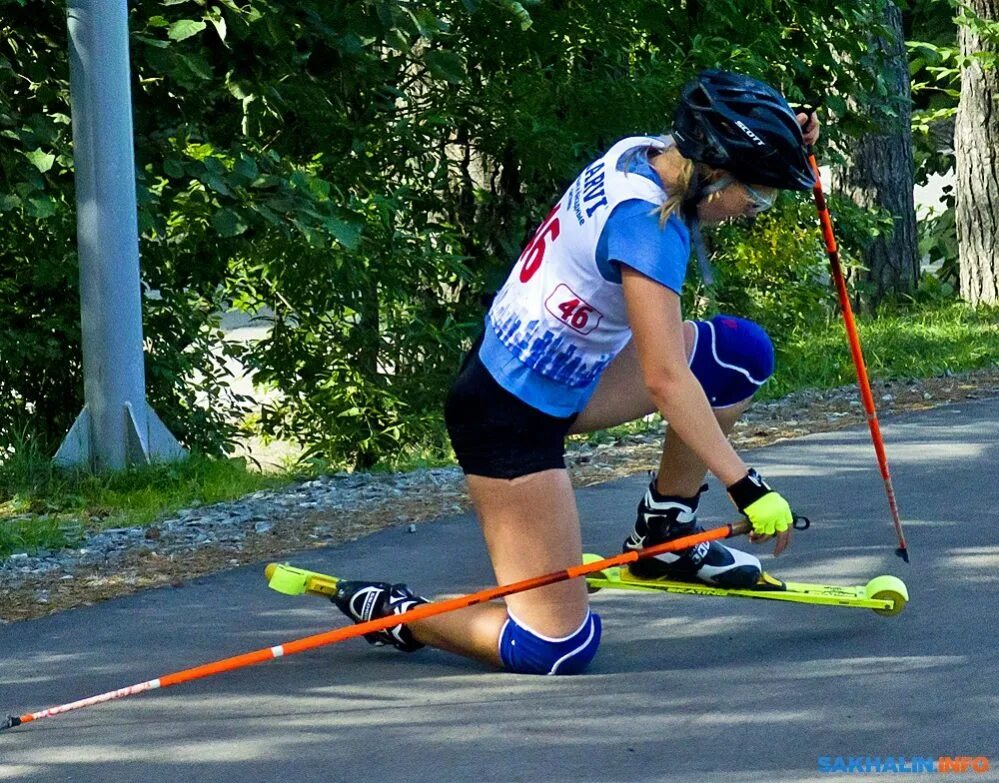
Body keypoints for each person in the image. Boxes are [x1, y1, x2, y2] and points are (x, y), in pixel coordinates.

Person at [329, 70, 821, 675]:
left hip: (569, 379)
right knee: (556, 648)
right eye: (759, 194)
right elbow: (665, 378)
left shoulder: (645, 154)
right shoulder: (649, 229)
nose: (755, 209)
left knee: (736, 355)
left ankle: (664, 535)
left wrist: (782, 138)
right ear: (715, 173)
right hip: (506, 416)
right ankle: (403, 614)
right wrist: (746, 486)